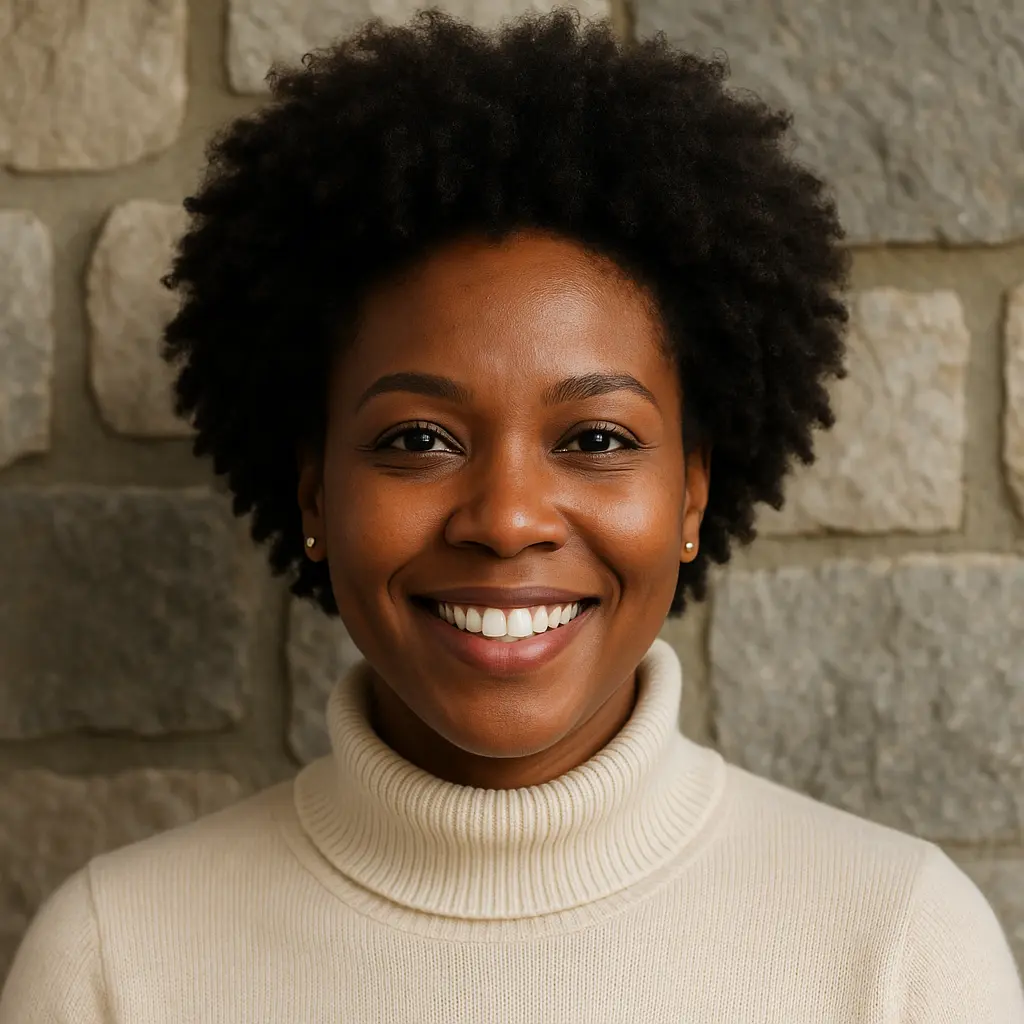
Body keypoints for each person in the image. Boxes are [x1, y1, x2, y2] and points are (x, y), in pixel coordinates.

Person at [2, 9, 1022, 1022]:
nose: (506, 517)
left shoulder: (896, 949)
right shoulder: (117, 962)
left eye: (595, 439)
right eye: (417, 440)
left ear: (692, 492)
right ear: (314, 489)